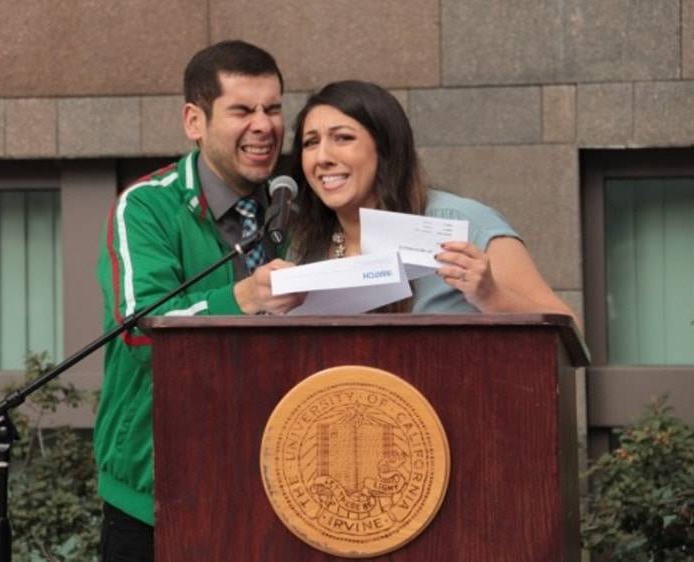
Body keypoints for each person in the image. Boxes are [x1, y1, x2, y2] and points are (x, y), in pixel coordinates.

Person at [94, 40, 303, 562]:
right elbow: (142, 327)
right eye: (242, 110)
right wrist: (245, 296)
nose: (264, 125)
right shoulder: (146, 206)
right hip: (158, 495)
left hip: (282, 486)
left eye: (273, 109)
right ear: (194, 120)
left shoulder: (296, 204)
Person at [287, 80, 577, 321]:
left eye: (343, 138)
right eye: (310, 143)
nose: (322, 157)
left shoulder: (464, 223)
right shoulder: (305, 250)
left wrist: (492, 297)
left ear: (385, 147)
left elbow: (569, 328)